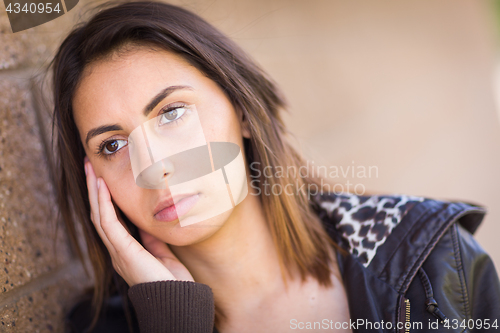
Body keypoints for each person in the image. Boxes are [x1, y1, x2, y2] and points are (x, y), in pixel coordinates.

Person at [49, 1, 500, 332]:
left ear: (242, 112)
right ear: (94, 178)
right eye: (112, 144)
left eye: (171, 113)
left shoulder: (431, 261)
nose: (155, 166)